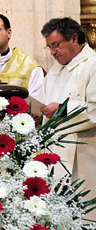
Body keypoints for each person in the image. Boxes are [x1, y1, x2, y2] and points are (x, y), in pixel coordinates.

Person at [41, 17, 96, 200]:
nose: (52, 52)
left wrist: (63, 109)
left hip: (84, 154)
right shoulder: (55, 71)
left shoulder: (92, 64)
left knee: (85, 210)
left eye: (56, 45)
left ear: (74, 38)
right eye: (49, 47)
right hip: (54, 154)